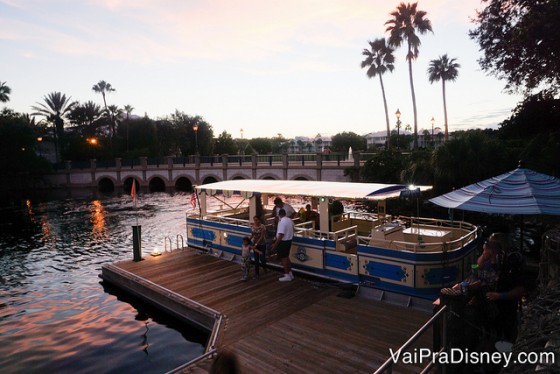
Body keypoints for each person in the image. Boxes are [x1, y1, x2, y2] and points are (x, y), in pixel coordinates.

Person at [270, 208, 294, 282]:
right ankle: (290, 273)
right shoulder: (290, 220)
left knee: (284, 258)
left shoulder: (282, 222)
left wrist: (275, 245)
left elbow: (281, 234)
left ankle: (287, 274)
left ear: (279, 215)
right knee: (287, 257)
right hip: (289, 240)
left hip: (283, 242)